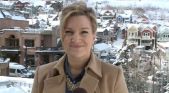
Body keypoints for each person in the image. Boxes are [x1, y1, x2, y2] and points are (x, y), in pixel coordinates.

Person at [31, 1, 128, 93]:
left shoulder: (113, 76)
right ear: (61, 35)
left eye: (84, 32)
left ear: (94, 36)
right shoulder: (42, 74)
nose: (76, 39)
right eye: (69, 32)